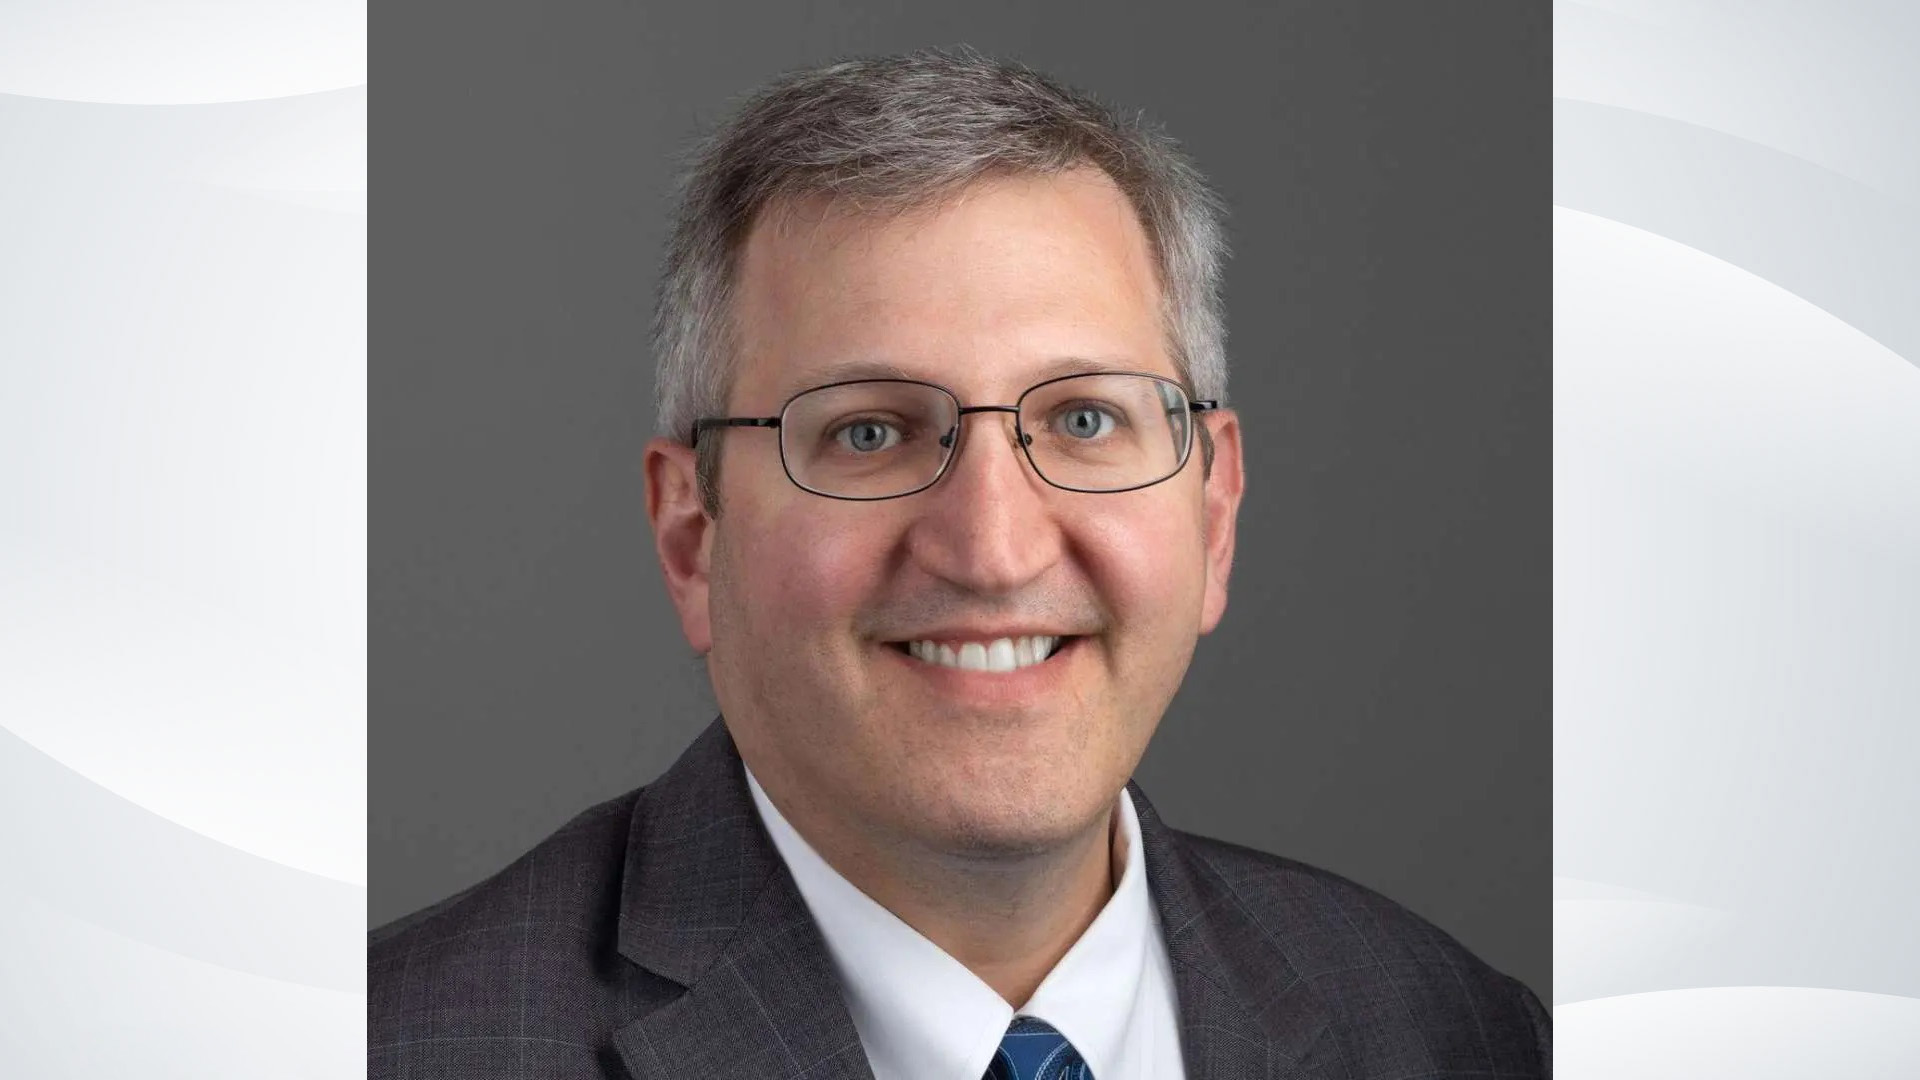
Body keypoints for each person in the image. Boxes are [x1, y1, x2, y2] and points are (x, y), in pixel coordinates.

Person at [369, 48, 1549, 1080]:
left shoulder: (1458, 1036)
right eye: (870, 432)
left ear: (1215, 508)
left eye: (1085, 420)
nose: (992, 548)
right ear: (693, 533)